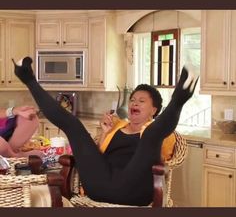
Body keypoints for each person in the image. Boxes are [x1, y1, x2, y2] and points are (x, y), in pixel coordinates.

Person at [12, 56, 198, 206]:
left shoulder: (161, 133)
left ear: (154, 111)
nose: (134, 102)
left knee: (150, 135)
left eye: (141, 101)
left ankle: (180, 97)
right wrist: (104, 133)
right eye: (133, 99)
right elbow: (96, 158)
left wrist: (150, 130)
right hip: (99, 185)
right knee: (74, 126)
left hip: (134, 190)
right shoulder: (116, 126)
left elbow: (162, 157)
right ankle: (27, 77)